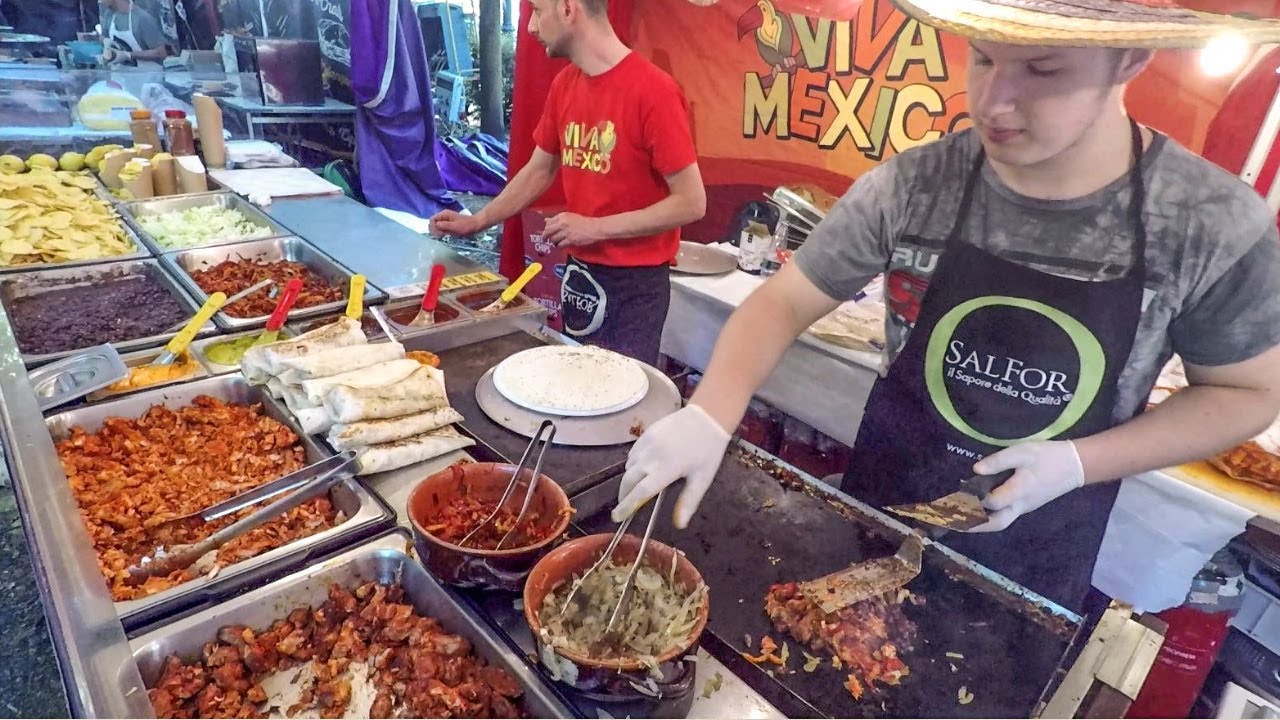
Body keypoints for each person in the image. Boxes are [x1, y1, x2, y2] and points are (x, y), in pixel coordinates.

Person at [615, 0, 1280, 614]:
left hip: (1037, 554)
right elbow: (782, 303)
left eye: (1043, 69)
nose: (994, 101)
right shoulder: (915, 184)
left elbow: (1247, 394)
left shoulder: (1209, 223)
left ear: (1130, 61)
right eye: (983, 58)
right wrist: (710, 410)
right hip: (879, 511)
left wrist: (1080, 462)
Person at [430, 0, 706, 365]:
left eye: (538, 11)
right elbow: (539, 169)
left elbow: (691, 202)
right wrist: (478, 221)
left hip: (635, 286)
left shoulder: (653, 91)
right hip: (579, 272)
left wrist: (596, 228)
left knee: (616, 402)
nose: (530, 27)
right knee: (576, 379)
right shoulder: (565, 84)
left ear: (568, 9)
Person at [99, 0, 172, 65]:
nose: (100, 1)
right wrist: (105, 40)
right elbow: (102, 36)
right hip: (119, 77)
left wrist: (128, 55)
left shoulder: (142, 18)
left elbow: (161, 53)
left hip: (148, 77)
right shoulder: (110, 15)